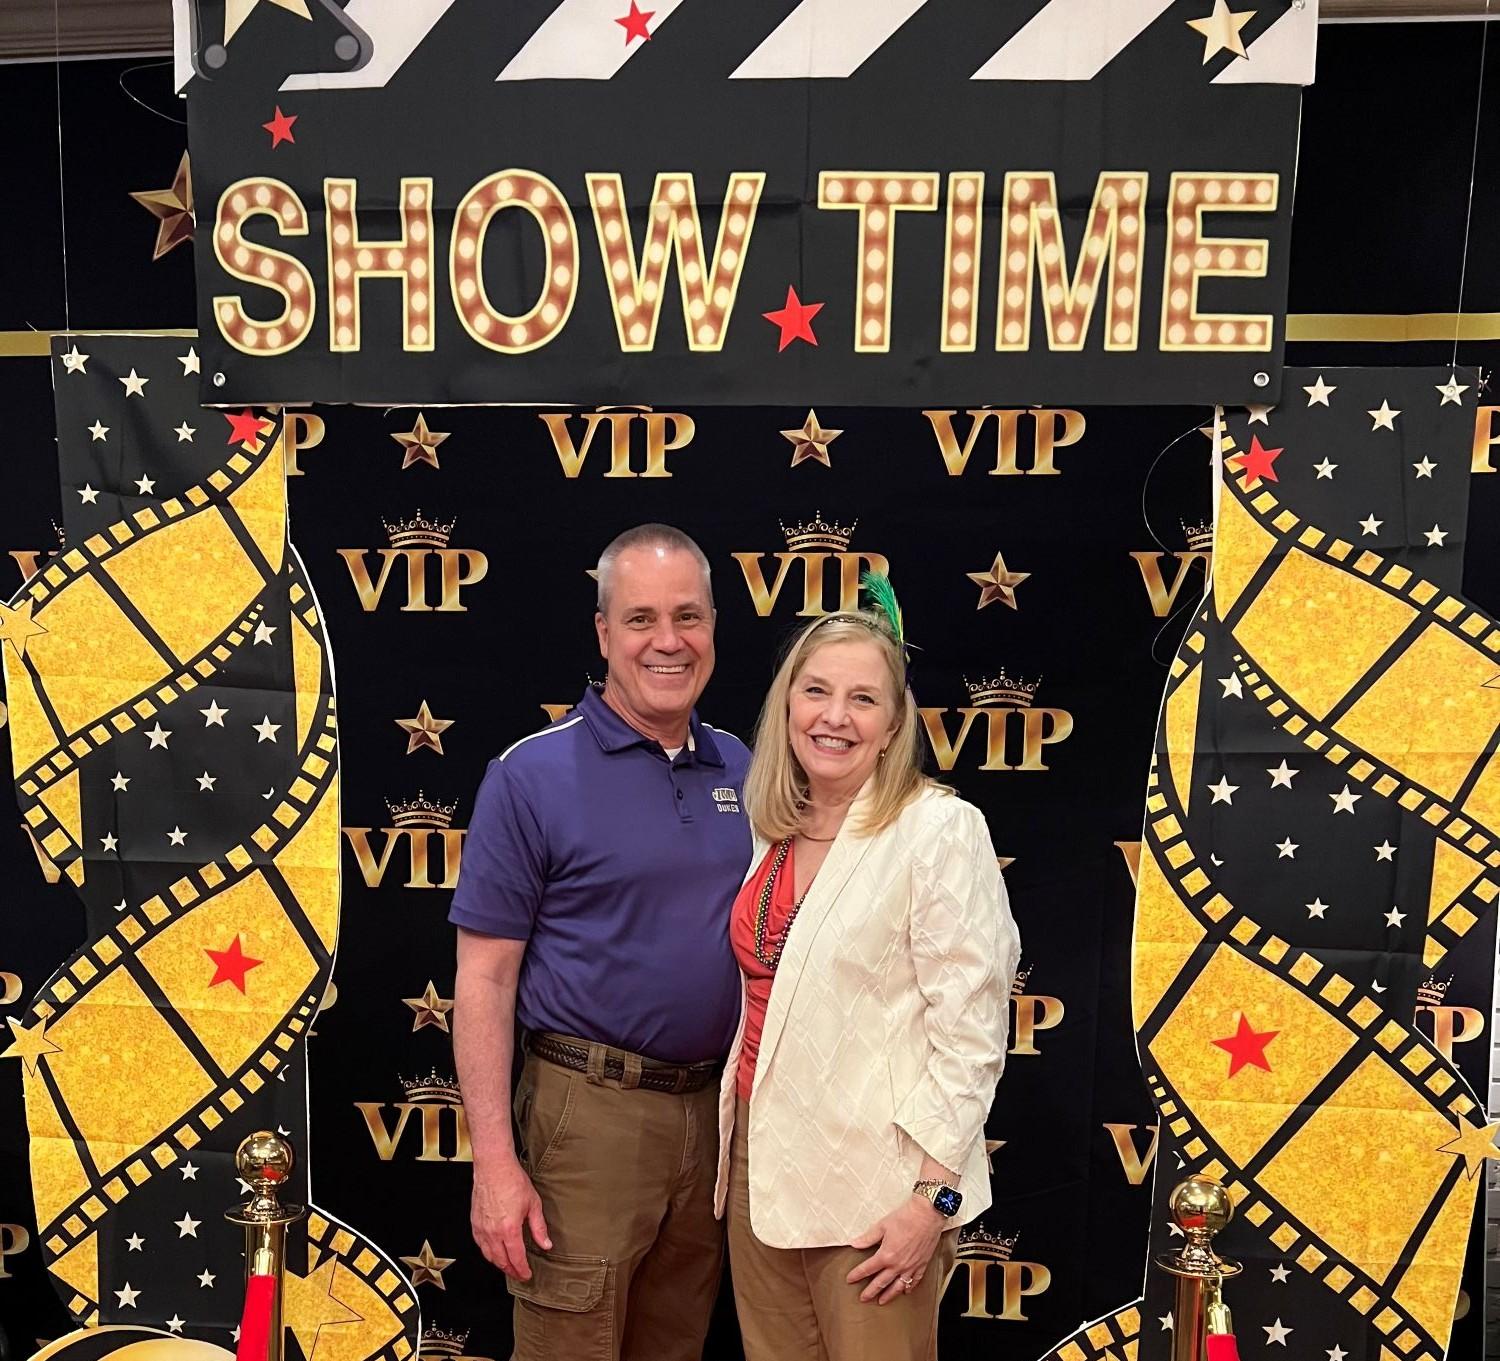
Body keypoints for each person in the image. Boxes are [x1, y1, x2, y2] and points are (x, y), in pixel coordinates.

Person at [450, 524, 751, 1361]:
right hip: (587, 1115)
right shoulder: (531, 774)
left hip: (713, 1118)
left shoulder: (743, 766)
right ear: (603, 632)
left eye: (688, 616)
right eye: (641, 618)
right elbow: (484, 979)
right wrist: (494, 1163)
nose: (668, 640)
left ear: (714, 626)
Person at [717, 593, 1020, 1361]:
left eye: (863, 698)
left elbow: (973, 1038)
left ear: (892, 724)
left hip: (882, 1193)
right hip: (757, 1167)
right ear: (787, 703)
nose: (834, 716)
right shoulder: (771, 825)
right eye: (816, 690)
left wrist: (932, 1201)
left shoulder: (939, 828)